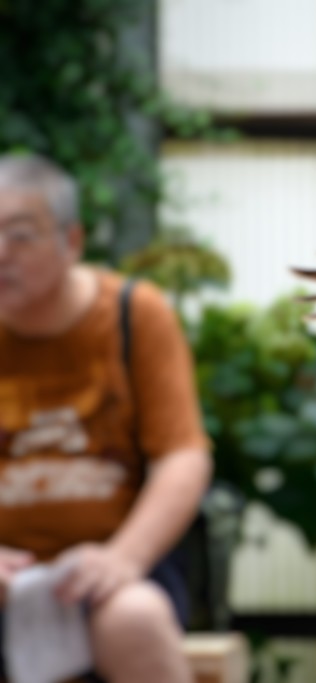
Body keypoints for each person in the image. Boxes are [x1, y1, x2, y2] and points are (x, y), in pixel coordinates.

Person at [0, 154, 211, 683]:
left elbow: (182, 456)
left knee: (135, 618)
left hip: (113, 568)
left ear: (71, 241)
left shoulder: (134, 314)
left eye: (20, 235)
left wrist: (124, 557)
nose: (1, 253)